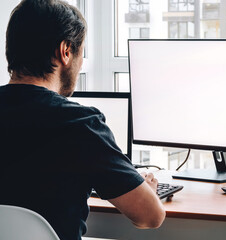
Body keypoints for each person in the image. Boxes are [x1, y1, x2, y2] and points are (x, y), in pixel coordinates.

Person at [0, 0, 165, 239]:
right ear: (65, 51)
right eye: (81, 52)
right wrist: (145, 190)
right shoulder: (80, 124)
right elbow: (150, 217)